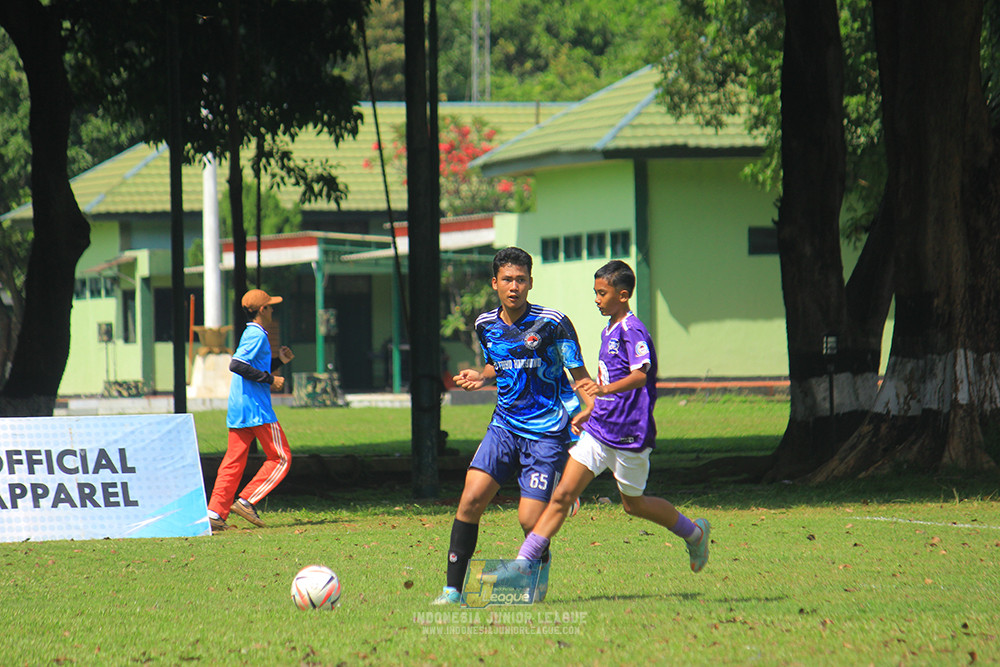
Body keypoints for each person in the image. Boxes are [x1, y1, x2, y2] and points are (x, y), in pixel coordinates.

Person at [492, 260, 710, 593]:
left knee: (633, 504)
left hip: (629, 434)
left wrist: (603, 390)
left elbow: (641, 374)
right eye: (595, 292)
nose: (596, 299)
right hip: (599, 430)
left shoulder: (632, 330)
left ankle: (694, 534)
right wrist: (590, 412)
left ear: (622, 295)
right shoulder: (608, 328)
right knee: (563, 494)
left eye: (602, 293)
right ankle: (523, 564)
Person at [432, 247, 594, 605]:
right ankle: (452, 591)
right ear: (495, 283)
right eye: (507, 279)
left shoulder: (553, 323)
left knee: (529, 519)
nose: (514, 286)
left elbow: (580, 376)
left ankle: (540, 567)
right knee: (470, 499)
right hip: (503, 427)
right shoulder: (484, 324)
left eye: (521, 279)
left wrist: (592, 412)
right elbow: (499, 364)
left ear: (531, 282)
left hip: (546, 433)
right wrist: (481, 375)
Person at [207, 289, 294, 532]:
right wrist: (270, 379)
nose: (273, 309)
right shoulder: (256, 334)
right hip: (256, 409)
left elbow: (249, 365)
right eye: (270, 306)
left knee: (233, 462)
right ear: (262, 310)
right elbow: (236, 364)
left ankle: (214, 513)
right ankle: (246, 500)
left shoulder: (253, 334)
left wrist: (278, 362)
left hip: (239, 408)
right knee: (281, 457)